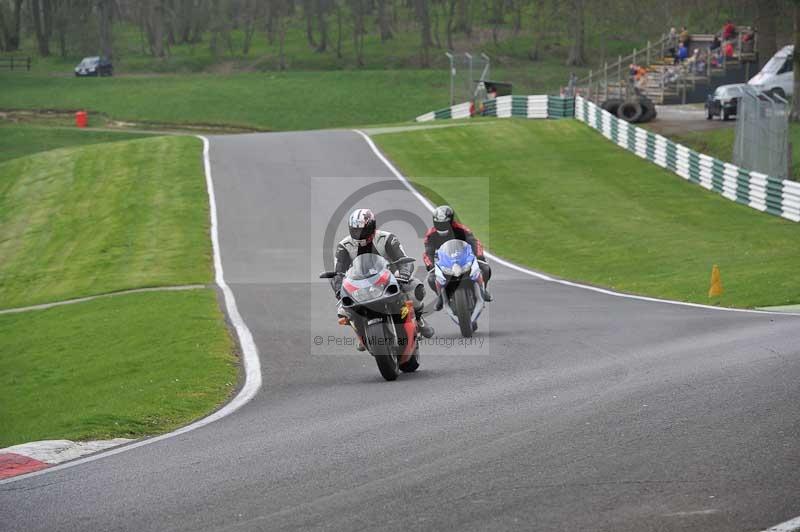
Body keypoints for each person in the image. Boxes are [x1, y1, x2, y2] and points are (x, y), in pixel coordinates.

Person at [332, 208, 434, 347]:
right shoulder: (344, 246)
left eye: (363, 230)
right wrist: (339, 289)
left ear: (372, 226)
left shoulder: (386, 238)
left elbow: (403, 259)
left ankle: (419, 318)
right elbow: (338, 272)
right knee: (343, 310)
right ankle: (361, 333)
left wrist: (404, 272)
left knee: (414, 287)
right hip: (359, 283)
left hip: (389, 278)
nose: (359, 234)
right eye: (355, 230)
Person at [423, 205, 492, 311]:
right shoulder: (430, 235)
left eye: (444, 223)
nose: (442, 226)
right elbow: (428, 253)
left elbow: (475, 242)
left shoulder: (461, 229)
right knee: (431, 278)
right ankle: (441, 297)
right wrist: (430, 265)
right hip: (445, 261)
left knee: (485, 268)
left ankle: (484, 289)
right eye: (439, 224)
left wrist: (479, 256)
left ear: (451, 221)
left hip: (463, 257)